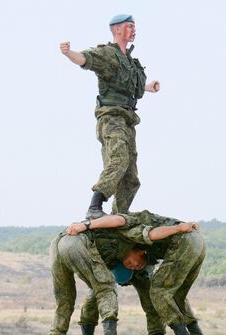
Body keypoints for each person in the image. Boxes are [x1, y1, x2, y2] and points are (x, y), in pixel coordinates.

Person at [59, 14, 160, 218]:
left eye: (134, 26)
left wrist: (148, 88)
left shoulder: (130, 62)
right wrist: (69, 52)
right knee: (119, 160)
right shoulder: (108, 54)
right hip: (111, 118)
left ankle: (120, 215)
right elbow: (86, 59)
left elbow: (132, 86)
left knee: (131, 177)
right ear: (117, 30)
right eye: (129, 26)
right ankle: (94, 207)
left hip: (128, 120)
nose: (133, 30)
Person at [67, 210, 209, 335]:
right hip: (197, 241)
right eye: (131, 267)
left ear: (139, 251)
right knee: (176, 294)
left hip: (185, 239)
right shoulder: (130, 253)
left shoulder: (131, 227)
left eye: (131, 264)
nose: (134, 267)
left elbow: (136, 227)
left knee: (158, 291)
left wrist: (85, 224)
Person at [46, 231, 138, 335]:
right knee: (106, 287)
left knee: (64, 300)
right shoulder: (120, 240)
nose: (133, 265)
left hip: (56, 244)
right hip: (75, 241)